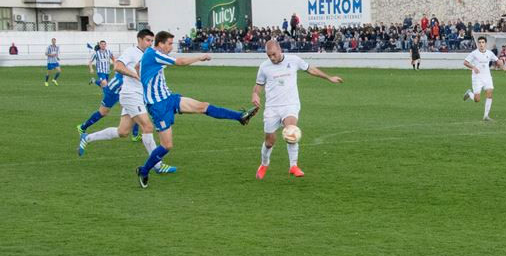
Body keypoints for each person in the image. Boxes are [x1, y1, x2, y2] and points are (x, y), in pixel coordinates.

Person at [135, 31, 259, 188]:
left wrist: (144, 77)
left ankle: (240, 116)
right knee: (166, 145)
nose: (171, 47)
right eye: (169, 44)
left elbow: (137, 66)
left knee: (202, 106)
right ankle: (144, 170)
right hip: (158, 106)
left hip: (169, 98)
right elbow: (180, 62)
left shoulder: (150, 55)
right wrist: (200, 57)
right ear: (160, 44)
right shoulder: (154, 54)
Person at [77, 29, 173, 174]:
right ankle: (157, 165)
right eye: (147, 40)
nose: (150, 43)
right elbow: (117, 66)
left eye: (151, 41)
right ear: (139, 40)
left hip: (140, 96)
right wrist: (134, 75)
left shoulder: (151, 54)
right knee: (147, 127)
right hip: (131, 95)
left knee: (123, 132)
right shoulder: (131, 52)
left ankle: (87, 137)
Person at [252, 40, 343, 180]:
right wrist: (255, 94)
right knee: (269, 142)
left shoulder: (294, 60)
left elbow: (310, 69)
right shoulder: (264, 67)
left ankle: (293, 166)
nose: (272, 58)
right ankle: (264, 164)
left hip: (290, 105)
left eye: (274, 54)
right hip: (272, 107)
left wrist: (329, 78)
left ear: (280, 50)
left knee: (291, 132)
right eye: (269, 55)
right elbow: (258, 85)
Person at [462, 36, 505, 121]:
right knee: (477, 99)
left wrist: (503, 66)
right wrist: (473, 67)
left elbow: (497, 61)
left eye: (483, 42)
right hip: (477, 78)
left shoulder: (490, 53)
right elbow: (465, 62)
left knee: (489, 94)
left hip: (487, 77)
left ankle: (486, 116)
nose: (481, 44)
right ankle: (470, 93)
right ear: (478, 44)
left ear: (485, 43)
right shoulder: (474, 53)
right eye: (480, 42)